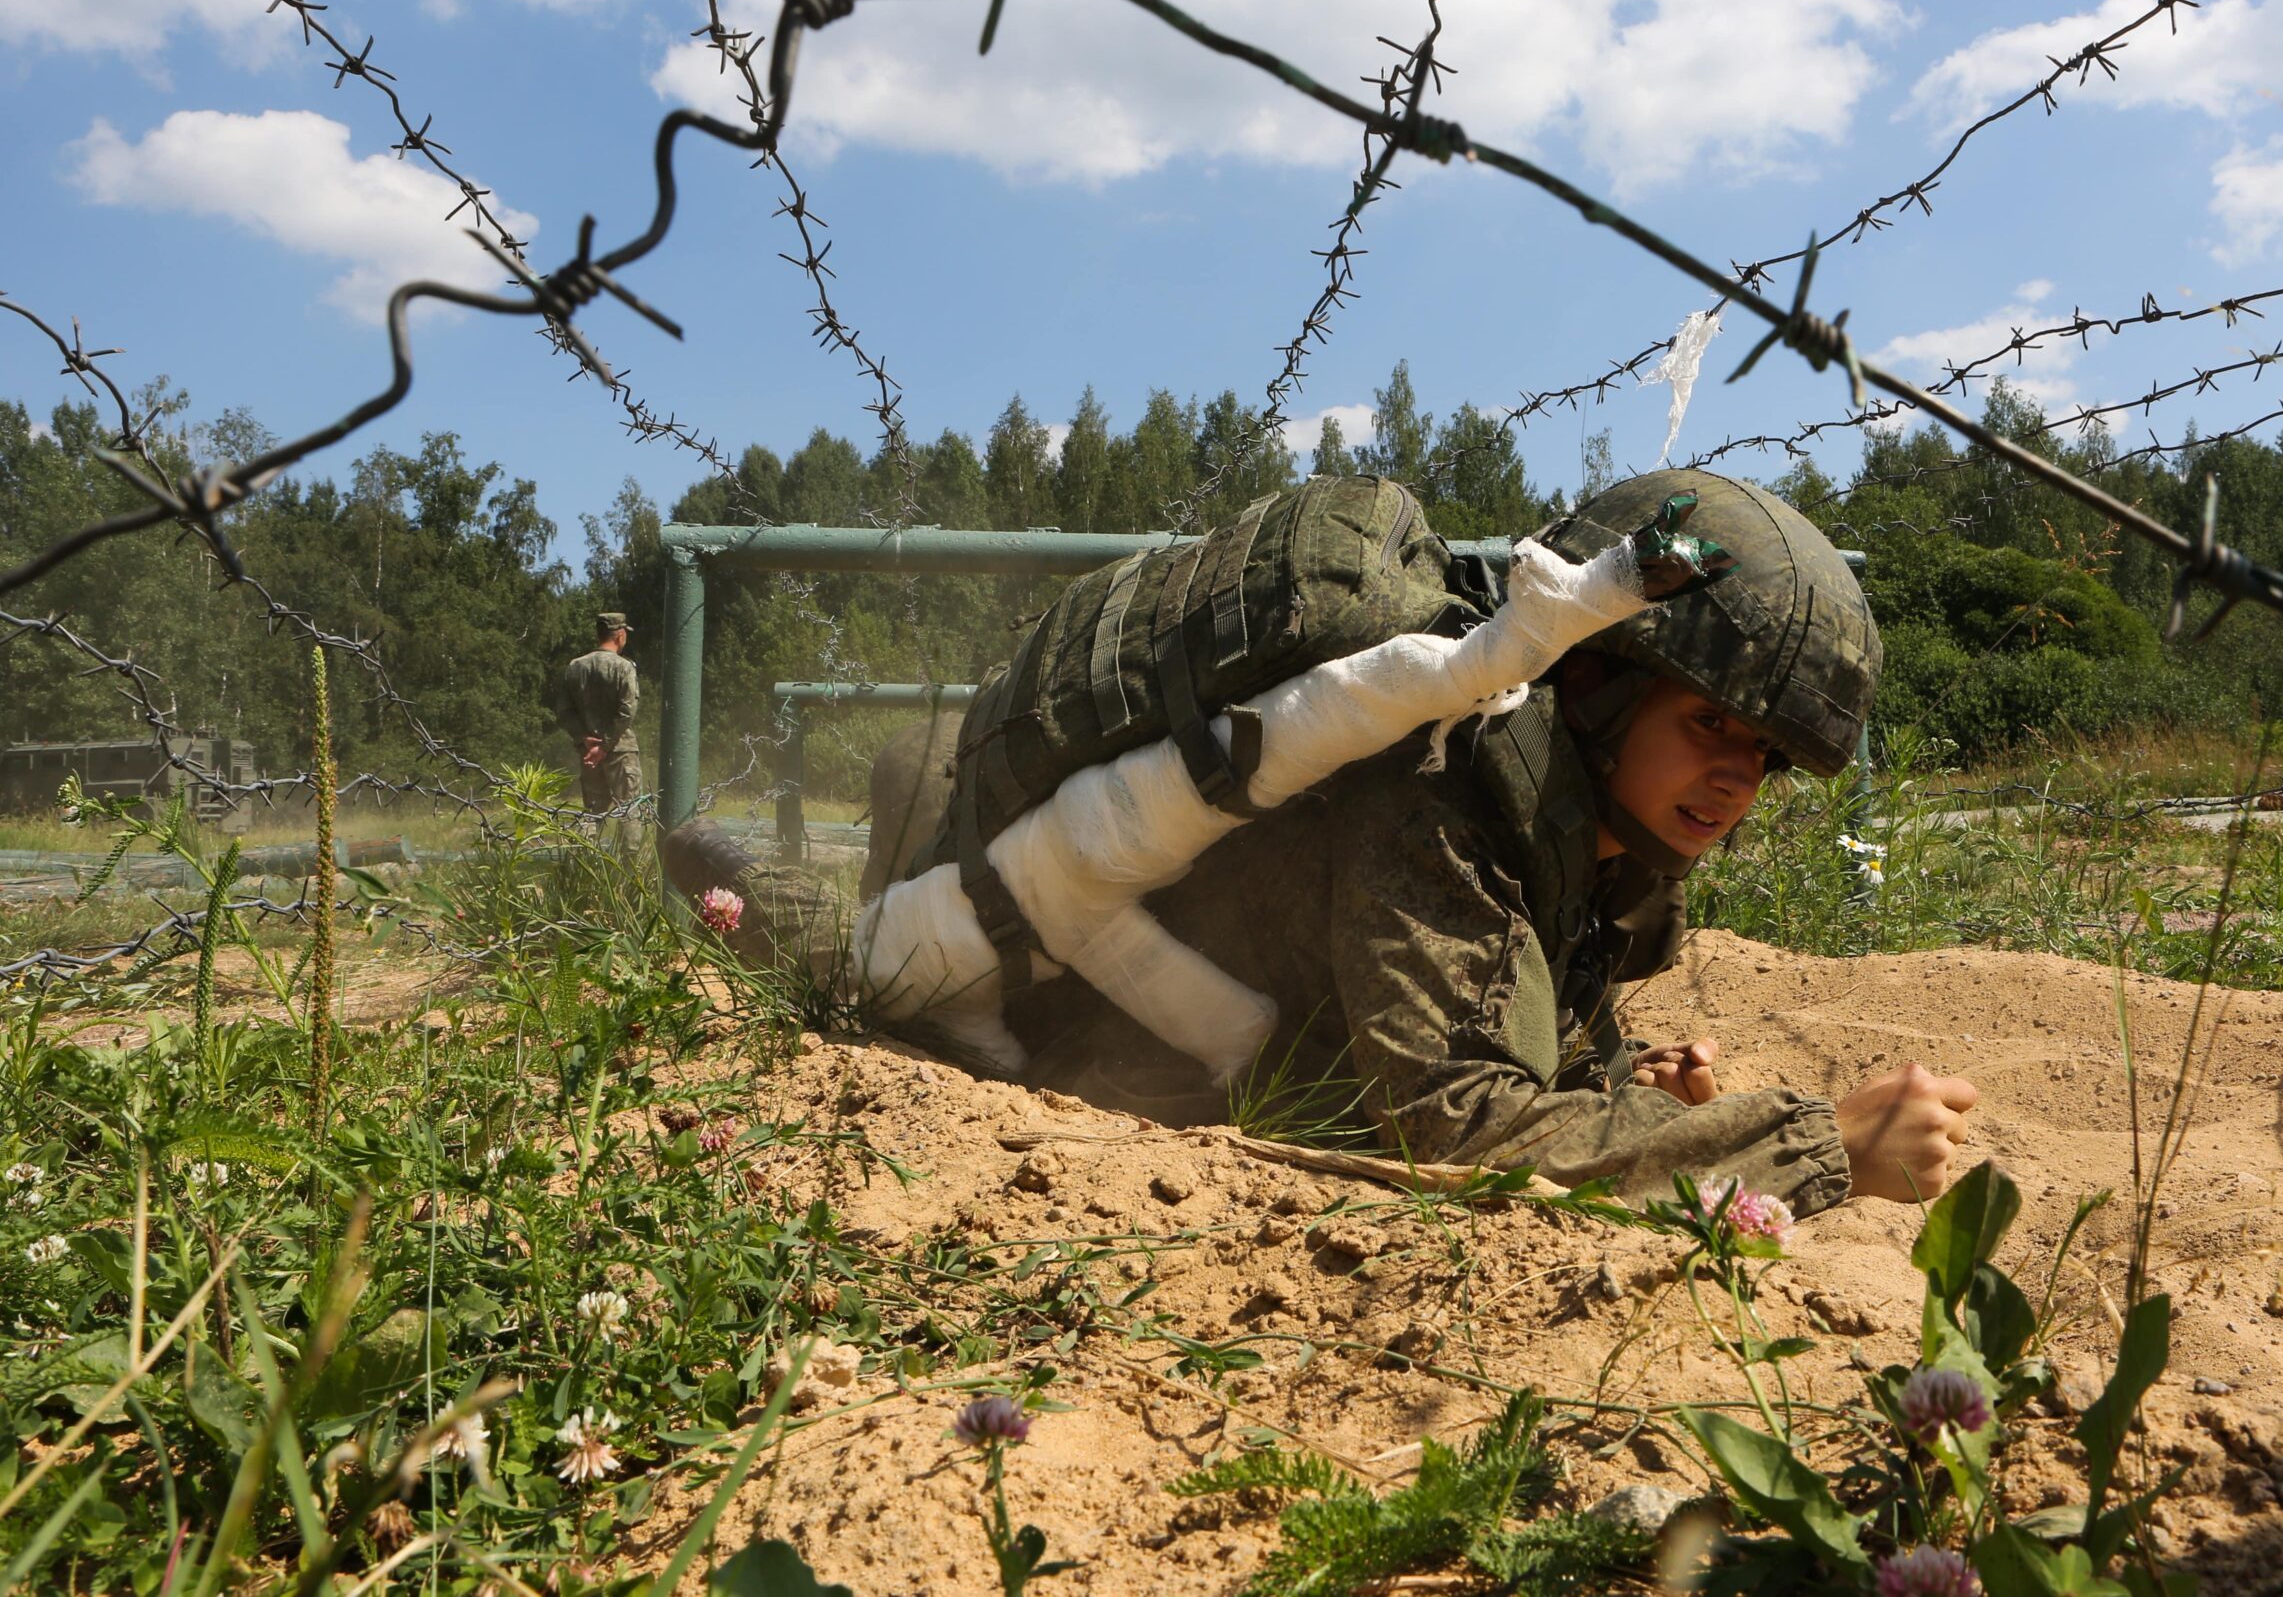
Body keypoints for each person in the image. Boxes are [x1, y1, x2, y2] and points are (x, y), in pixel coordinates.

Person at [663, 471, 1976, 1216]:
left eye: (1764, 753)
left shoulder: (1573, 828)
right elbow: (1461, 1126)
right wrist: (1815, 1145)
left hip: (1154, 997)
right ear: (1599, 683)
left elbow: (1504, 1006)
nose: (1736, 774)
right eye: (1709, 723)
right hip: (1038, 989)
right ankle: (738, 890)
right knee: (865, 980)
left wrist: (1626, 1073)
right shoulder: (1435, 785)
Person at [559, 612, 643, 844]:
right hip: (620, 750)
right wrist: (605, 745)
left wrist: (585, 739)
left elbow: (565, 712)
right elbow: (627, 711)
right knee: (629, 810)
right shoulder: (624, 667)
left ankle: (584, 862)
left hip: (589, 753)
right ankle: (630, 871)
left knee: (591, 812)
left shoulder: (576, 667)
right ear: (620, 635)